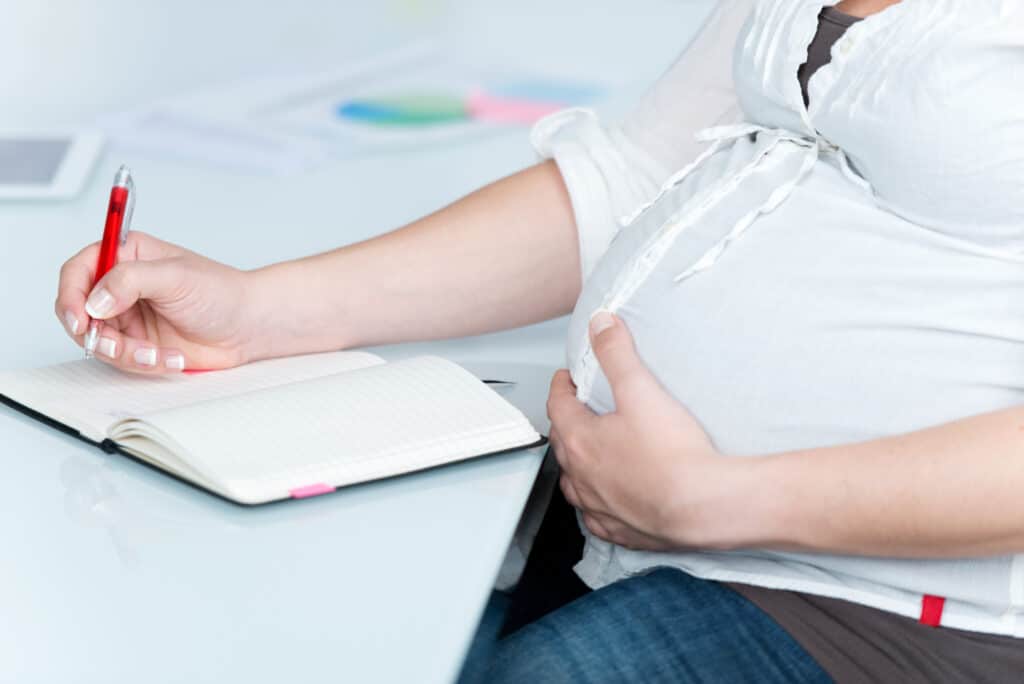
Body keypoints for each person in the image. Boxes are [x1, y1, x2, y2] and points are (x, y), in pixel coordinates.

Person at [55, 0, 1024, 680]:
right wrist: (262, 308)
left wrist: (714, 498)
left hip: (871, 612)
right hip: (624, 525)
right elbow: (634, 177)